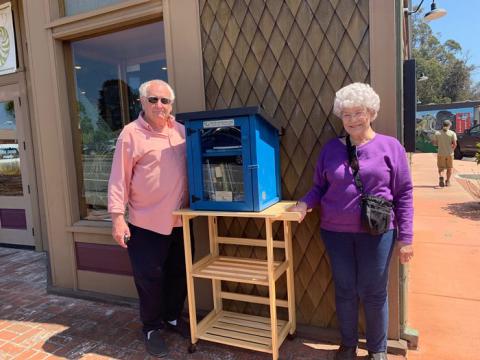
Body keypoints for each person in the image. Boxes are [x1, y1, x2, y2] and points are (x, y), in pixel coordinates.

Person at [288, 83, 414, 360]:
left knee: (374, 291)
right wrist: (303, 204)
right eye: (346, 114)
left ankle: (377, 350)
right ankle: (347, 345)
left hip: (378, 233)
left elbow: (404, 194)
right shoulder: (331, 149)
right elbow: (318, 188)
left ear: (371, 112)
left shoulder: (390, 147)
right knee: (345, 289)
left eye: (358, 112)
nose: (353, 119)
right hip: (335, 232)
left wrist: (406, 238)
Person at [108, 79, 190, 358]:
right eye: (153, 100)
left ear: (171, 105)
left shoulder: (180, 131)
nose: (159, 105)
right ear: (141, 102)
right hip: (145, 222)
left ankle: (172, 318)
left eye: (165, 101)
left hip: (181, 221)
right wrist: (118, 218)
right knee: (149, 278)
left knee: (179, 274)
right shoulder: (130, 134)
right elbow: (119, 179)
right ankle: (152, 327)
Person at [432, 119, 457, 187]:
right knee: (449, 168)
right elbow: (455, 144)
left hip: (441, 153)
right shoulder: (452, 133)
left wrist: (439, 144)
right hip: (449, 154)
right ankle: (448, 181)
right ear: (449, 125)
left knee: (441, 168)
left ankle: (441, 177)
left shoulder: (437, 133)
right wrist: (452, 150)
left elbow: (434, 143)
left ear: (442, 125)